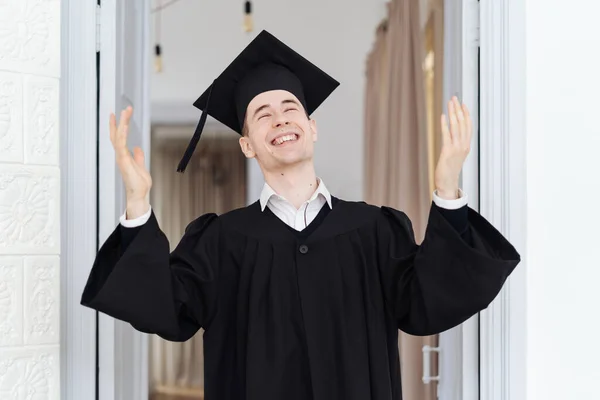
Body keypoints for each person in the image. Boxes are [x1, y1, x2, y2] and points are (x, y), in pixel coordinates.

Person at [81, 31, 520, 400]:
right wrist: (138, 203)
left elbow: (431, 302)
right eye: (262, 114)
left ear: (311, 127)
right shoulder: (220, 241)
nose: (280, 120)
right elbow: (164, 309)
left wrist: (447, 188)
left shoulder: (374, 231)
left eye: (291, 108)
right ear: (248, 144)